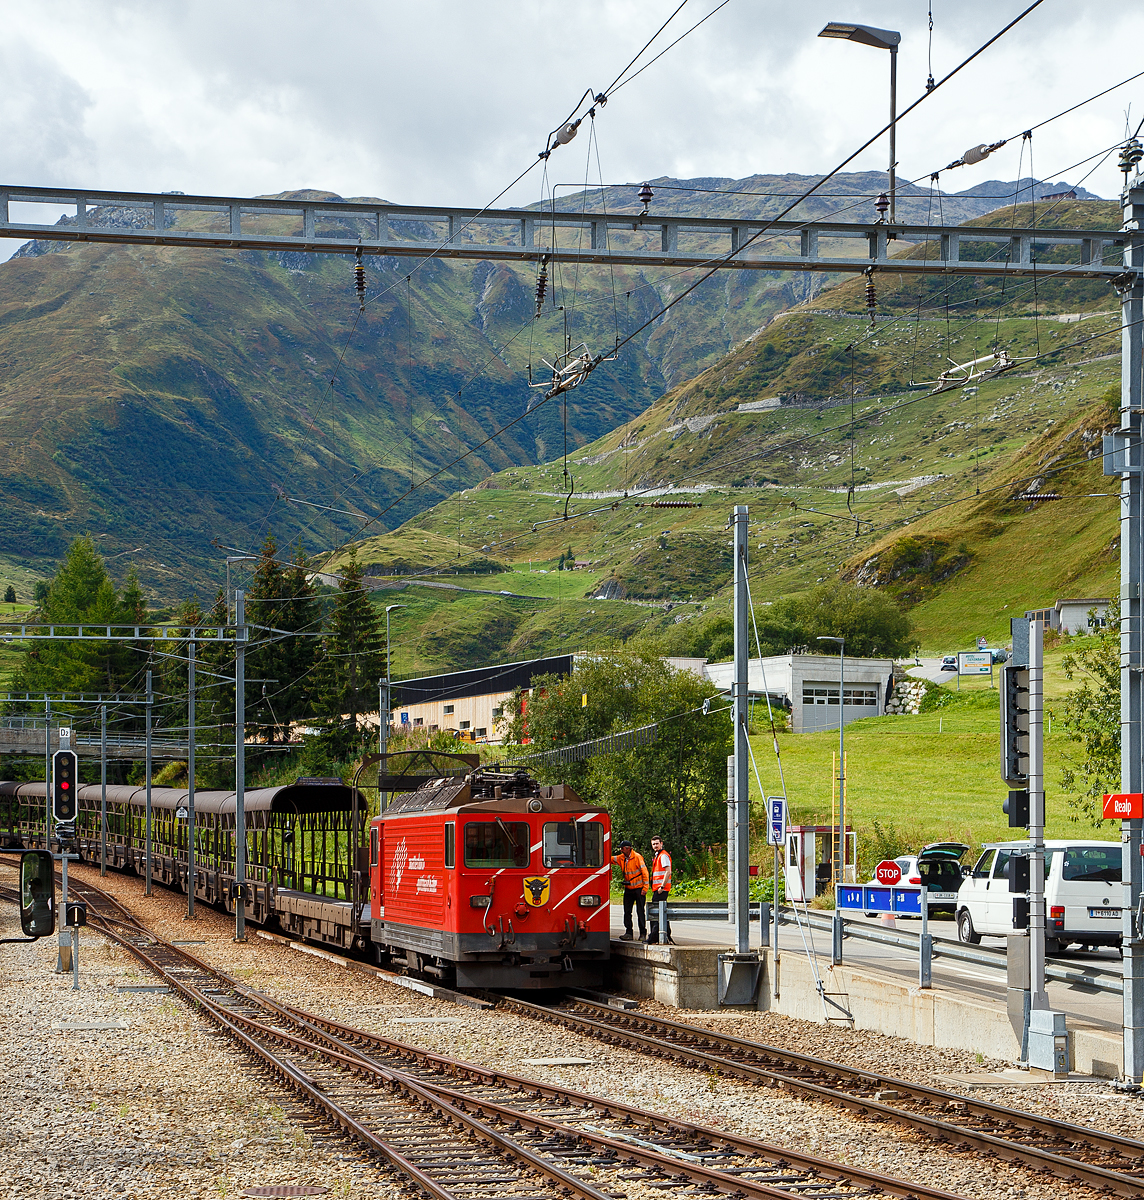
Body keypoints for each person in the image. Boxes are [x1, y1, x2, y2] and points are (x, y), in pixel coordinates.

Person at [610, 839, 649, 942]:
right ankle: (629, 933)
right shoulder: (621, 858)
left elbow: (645, 873)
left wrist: (645, 888)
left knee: (640, 911)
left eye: (622, 848)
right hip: (628, 889)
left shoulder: (637, 857)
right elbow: (610, 859)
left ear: (628, 849)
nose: (621, 850)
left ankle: (643, 933)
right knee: (627, 911)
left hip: (639, 889)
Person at [648, 834, 673, 945]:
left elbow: (668, 871)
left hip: (661, 889)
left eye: (657, 843)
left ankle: (654, 937)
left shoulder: (663, 856)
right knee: (661, 913)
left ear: (661, 844)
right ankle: (666, 935)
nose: (655, 846)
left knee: (655, 913)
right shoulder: (658, 855)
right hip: (658, 889)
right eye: (653, 844)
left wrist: (662, 886)